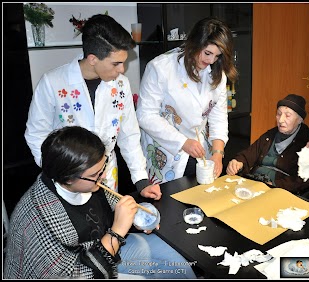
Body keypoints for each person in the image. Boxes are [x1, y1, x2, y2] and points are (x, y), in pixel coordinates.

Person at [4, 126, 197, 279]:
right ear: (68, 177)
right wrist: (118, 231)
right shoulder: (39, 220)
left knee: (174, 262)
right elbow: (77, 275)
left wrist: (135, 216)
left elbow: (112, 204)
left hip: (101, 249)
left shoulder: (83, 182)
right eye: (96, 175)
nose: (103, 176)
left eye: (102, 168)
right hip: (83, 269)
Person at [24, 14, 161, 200]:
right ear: (93, 59)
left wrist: (141, 180)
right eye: (116, 63)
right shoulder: (53, 83)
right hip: (67, 179)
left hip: (106, 177)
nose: (122, 70)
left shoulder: (121, 84)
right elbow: (36, 133)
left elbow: (129, 135)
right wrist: (61, 171)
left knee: (107, 224)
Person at [136, 17, 238, 184]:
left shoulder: (216, 72)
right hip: (165, 151)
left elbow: (218, 118)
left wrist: (218, 154)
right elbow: (145, 115)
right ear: (195, 43)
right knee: (169, 203)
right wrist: (182, 142)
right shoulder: (161, 67)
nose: (211, 61)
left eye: (217, 56)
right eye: (207, 53)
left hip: (199, 150)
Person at [226, 94, 309, 195]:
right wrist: (238, 162)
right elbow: (249, 154)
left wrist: (274, 185)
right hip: (255, 183)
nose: (281, 120)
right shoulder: (271, 134)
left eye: (287, 115)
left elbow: (307, 178)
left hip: (280, 191)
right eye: (278, 114)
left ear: (300, 119)